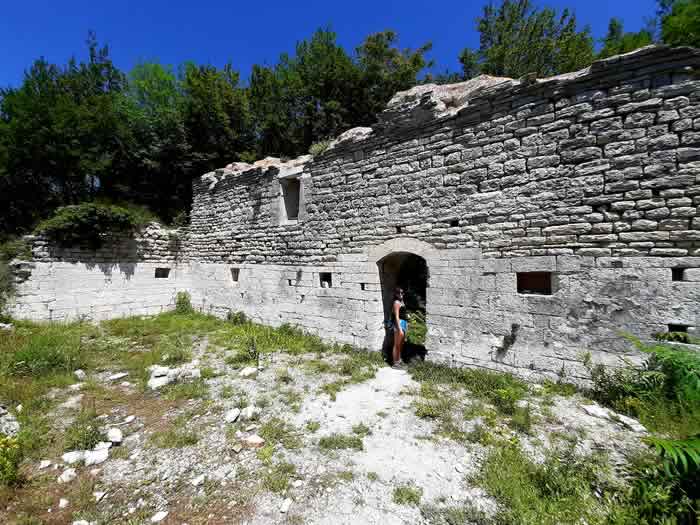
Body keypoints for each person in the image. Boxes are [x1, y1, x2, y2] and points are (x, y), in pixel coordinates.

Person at [391, 287, 408, 369]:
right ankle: (395, 363)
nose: (401, 294)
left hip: (403, 323)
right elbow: (397, 317)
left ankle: (399, 360)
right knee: (397, 345)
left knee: (401, 344)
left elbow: (403, 313)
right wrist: (399, 329)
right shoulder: (396, 303)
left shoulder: (402, 302)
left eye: (402, 293)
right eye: (399, 293)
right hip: (399, 324)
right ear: (396, 294)